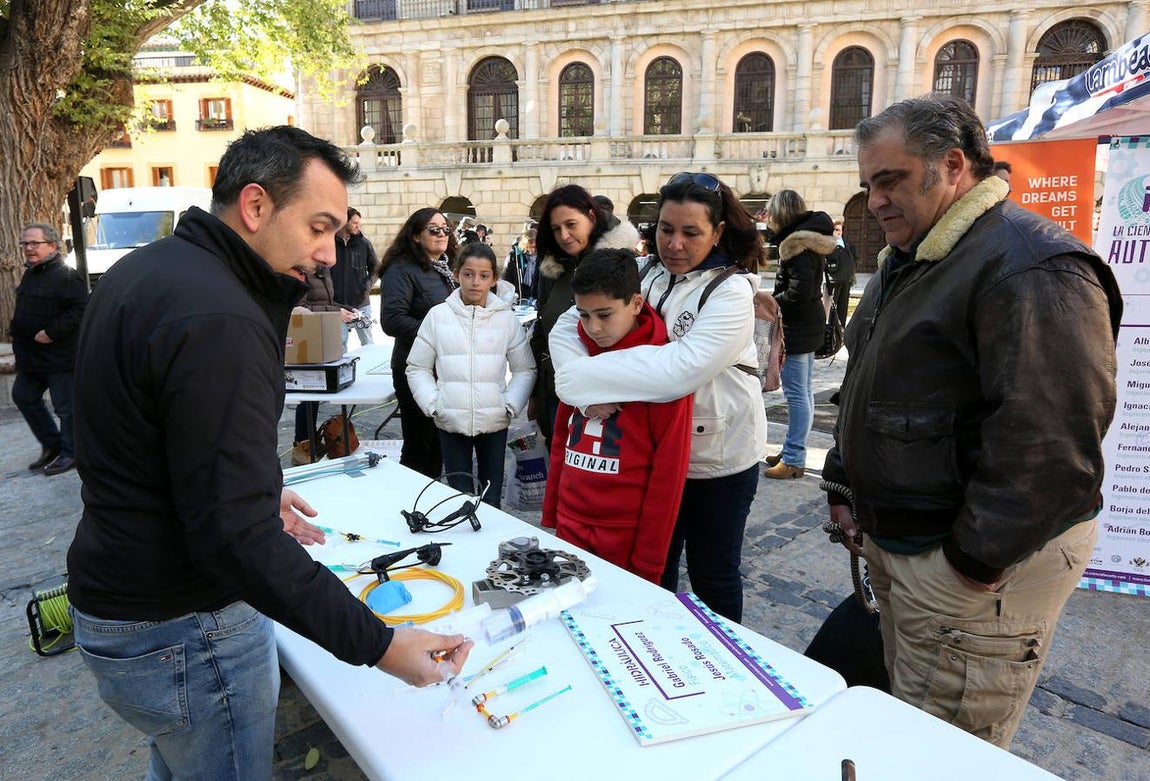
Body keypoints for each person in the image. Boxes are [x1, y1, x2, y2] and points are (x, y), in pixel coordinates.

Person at [66, 126, 471, 779]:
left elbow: (137, 438)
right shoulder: (220, 315)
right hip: (184, 623)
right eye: (317, 227)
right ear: (255, 206)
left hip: (124, 604)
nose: (325, 254)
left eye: (336, 234)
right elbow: (237, 540)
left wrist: (246, 484)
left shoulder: (150, 267)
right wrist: (383, 644)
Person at [822, 95, 1120, 748]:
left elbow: (1049, 450)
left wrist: (967, 567)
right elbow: (867, 383)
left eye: (890, 180)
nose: (874, 200)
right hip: (909, 549)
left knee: (940, 752)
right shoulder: (914, 258)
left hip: (971, 569)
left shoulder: (1029, 265)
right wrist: (845, 488)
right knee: (908, 724)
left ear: (952, 165)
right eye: (868, 185)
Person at [550, 172, 767, 623]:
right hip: (652, 456)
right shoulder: (645, 272)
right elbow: (566, 325)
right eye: (666, 230)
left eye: (691, 233)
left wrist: (577, 384)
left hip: (716, 460)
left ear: (719, 232)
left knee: (714, 574)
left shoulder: (730, 292)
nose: (675, 245)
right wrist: (577, 386)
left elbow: (678, 372)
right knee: (655, 566)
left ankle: (724, 662)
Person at [541, 248, 693, 584]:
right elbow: (561, 438)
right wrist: (552, 510)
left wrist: (650, 561)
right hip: (570, 520)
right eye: (583, 315)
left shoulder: (664, 368)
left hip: (624, 531)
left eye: (605, 315)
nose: (593, 327)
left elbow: (668, 472)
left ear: (636, 304)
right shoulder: (578, 356)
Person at [406, 242, 536, 510]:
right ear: (456, 274)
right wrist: (433, 404)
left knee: (491, 497)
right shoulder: (438, 316)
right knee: (459, 496)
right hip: (451, 419)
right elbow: (417, 367)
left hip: (494, 420)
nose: (475, 282)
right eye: (468, 274)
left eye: (484, 275)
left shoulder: (506, 320)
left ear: (494, 279)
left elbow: (525, 368)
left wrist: (510, 404)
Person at [531, 184, 639, 446]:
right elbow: (542, 327)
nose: (564, 236)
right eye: (556, 229)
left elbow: (634, 333)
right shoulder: (552, 268)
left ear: (591, 216)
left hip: (604, 397)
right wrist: (535, 392)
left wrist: (592, 392)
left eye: (571, 224)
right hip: (554, 388)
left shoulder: (620, 262)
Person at [379, 207, 460, 478]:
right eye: (433, 229)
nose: (442, 234)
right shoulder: (400, 269)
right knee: (418, 445)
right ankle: (407, 504)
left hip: (444, 367)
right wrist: (439, 333)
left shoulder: (448, 268)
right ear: (415, 236)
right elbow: (392, 320)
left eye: (445, 229)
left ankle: (427, 505)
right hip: (413, 367)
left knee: (438, 444)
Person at [762, 190, 836, 480]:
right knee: (802, 391)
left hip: (799, 326)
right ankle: (793, 450)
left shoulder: (796, 246)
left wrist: (771, 300)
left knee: (796, 393)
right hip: (807, 323)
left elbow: (799, 292)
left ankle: (794, 457)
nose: (767, 218)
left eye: (770, 213)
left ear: (780, 214)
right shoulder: (805, 241)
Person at [10, 222, 88, 476]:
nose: (29, 248)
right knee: (23, 396)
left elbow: (80, 310)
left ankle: (71, 452)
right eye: (25, 244)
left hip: (59, 356)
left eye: (35, 243)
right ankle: (52, 445)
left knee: (65, 408)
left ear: (53, 246)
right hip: (32, 357)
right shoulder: (31, 273)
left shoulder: (66, 275)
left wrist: (51, 332)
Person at [290, 267, 358, 465]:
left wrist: (346, 308)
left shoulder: (324, 269)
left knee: (317, 392)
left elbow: (326, 303)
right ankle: (302, 444)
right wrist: (336, 311)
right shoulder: (301, 268)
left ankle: (311, 441)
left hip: (323, 337)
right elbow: (300, 307)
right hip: (306, 338)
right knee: (308, 392)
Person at [330, 206, 379, 347]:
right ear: (344, 222)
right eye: (355, 223)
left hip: (361, 303)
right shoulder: (330, 243)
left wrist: (367, 286)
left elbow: (377, 268)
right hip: (338, 305)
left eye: (359, 223)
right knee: (340, 345)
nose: (358, 226)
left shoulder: (364, 244)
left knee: (368, 343)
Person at [824, 219, 856, 324]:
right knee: (830, 308)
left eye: (840, 230)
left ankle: (840, 332)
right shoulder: (828, 243)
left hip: (846, 279)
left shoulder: (845, 242)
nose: (839, 232)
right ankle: (828, 331)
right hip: (833, 280)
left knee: (843, 308)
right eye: (836, 229)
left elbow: (853, 258)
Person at [503, 228, 538, 303]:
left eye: (535, 247)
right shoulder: (514, 255)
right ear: (524, 244)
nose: (532, 250)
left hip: (537, 299)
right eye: (529, 247)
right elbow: (506, 278)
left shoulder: (542, 257)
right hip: (519, 298)